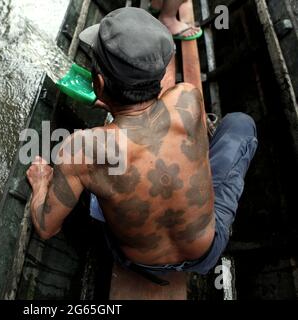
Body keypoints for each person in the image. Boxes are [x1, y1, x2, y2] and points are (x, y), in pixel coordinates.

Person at [26, 8, 257, 282]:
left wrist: (41, 182)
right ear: (157, 79)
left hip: (138, 261)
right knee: (241, 124)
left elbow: (45, 227)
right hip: (207, 251)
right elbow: (159, 109)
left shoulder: (82, 150)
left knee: (98, 181)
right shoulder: (188, 98)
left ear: (98, 84)